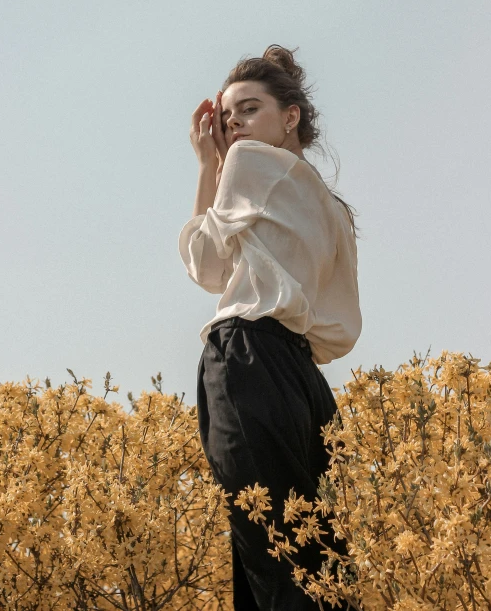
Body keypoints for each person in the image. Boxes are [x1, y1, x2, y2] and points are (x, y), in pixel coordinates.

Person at [178, 44, 362, 610]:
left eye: (250, 109)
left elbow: (205, 264)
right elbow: (340, 324)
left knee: (268, 551)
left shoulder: (248, 164)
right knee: (321, 554)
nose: (234, 124)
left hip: (247, 356)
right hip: (304, 379)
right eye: (229, 117)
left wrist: (209, 163)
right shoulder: (332, 208)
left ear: (291, 116)